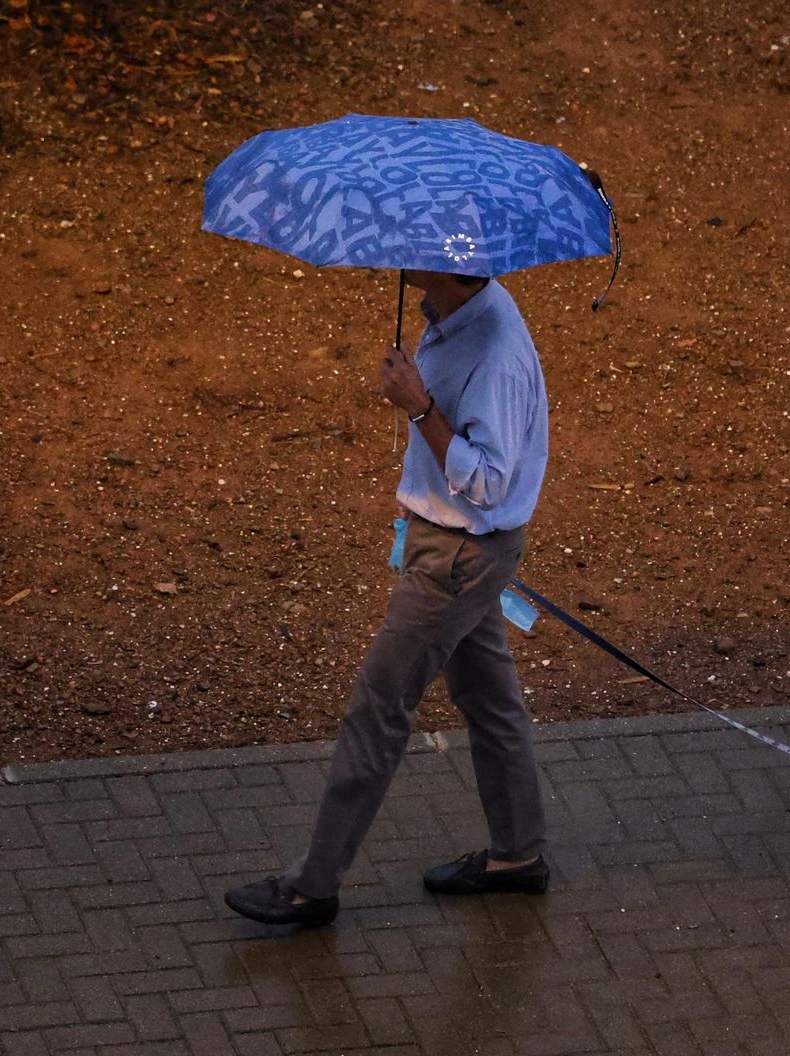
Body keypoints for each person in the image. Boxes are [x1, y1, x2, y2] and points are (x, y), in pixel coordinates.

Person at [224, 270, 551, 927]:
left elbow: (487, 482)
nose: (404, 266)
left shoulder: (494, 354)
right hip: (464, 551)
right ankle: (518, 855)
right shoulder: (466, 311)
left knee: (378, 707)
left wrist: (419, 407)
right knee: (489, 696)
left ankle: (313, 886)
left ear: (455, 270)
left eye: (419, 257)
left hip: (455, 558)